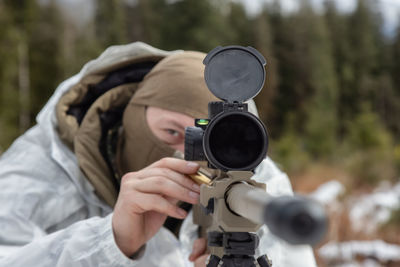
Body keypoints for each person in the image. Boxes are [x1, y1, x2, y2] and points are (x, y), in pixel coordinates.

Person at [0, 42, 317, 267]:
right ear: (131, 116)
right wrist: (112, 242)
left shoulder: (255, 185)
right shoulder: (44, 166)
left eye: (207, 141)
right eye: (172, 132)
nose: (183, 153)